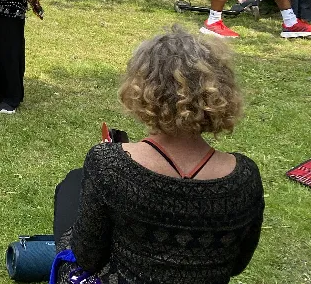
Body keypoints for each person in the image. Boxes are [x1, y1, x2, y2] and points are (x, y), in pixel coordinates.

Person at [52, 26, 264, 284]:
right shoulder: (244, 177)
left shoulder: (109, 164)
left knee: (71, 188)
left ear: (143, 89)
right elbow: (237, 265)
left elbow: (86, 257)